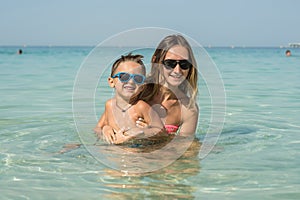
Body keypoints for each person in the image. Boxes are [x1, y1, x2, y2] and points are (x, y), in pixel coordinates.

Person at [99, 35, 199, 143]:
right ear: (156, 61)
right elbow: (104, 122)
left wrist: (153, 134)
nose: (177, 70)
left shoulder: (188, 109)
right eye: (170, 63)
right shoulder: (138, 87)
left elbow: (183, 147)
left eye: (184, 64)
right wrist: (106, 129)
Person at [94, 53, 166, 144]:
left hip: (135, 151)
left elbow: (161, 131)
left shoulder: (141, 107)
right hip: (113, 152)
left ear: (142, 86)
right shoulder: (109, 105)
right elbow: (97, 129)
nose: (131, 81)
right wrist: (105, 129)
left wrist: (142, 132)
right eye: (124, 76)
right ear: (111, 82)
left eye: (138, 79)